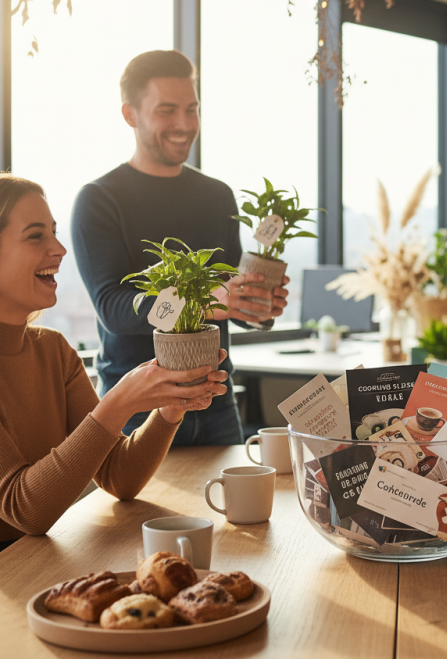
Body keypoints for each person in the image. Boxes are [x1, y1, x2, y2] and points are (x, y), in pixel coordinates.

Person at [71, 50, 288, 446]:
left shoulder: (217, 195)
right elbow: (115, 308)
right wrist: (211, 302)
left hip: (217, 403)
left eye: (192, 109)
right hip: (137, 411)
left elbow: (230, 298)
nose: (184, 124)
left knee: (232, 512)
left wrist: (258, 306)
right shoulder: (100, 200)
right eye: (167, 110)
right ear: (130, 114)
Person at [0, 175, 228, 551]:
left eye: (55, 233)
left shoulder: (53, 350)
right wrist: (119, 401)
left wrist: (170, 410)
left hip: (39, 563)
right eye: (36, 236)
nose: (59, 249)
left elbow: (118, 477)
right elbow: (26, 510)